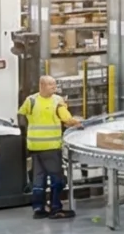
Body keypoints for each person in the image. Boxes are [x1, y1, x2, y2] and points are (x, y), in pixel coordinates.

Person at [19, 75, 81, 219]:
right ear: (41, 85)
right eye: (51, 85)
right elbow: (66, 119)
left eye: (55, 85)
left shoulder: (31, 100)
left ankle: (38, 209)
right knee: (57, 178)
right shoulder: (57, 101)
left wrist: (27, 132)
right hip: (50, 147)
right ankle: (55, 208)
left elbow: (21, 115)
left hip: (34, 146)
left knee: (38, 178)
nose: (55, 88)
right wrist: (77, 124)